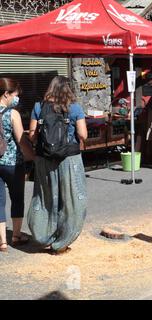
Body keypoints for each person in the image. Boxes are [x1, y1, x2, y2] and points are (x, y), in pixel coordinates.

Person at [28, 75, 88, 255]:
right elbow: (83, 134)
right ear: (68, 89)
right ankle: (62, 242)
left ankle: (43, 236)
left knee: (45, 198)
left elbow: (32, 135)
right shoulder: (74, 108)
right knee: (72, 200)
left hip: (44, 159)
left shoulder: (39, 107)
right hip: (69, 159)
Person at [0, 78, 34, 253]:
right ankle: (16, 236)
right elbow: (21, 140)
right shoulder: (12, 114)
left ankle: (2, 242)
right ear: (6, 94)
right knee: (17, 199)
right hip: (13, 163)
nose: (17, 98)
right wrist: (32, 156)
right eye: (15, 95)